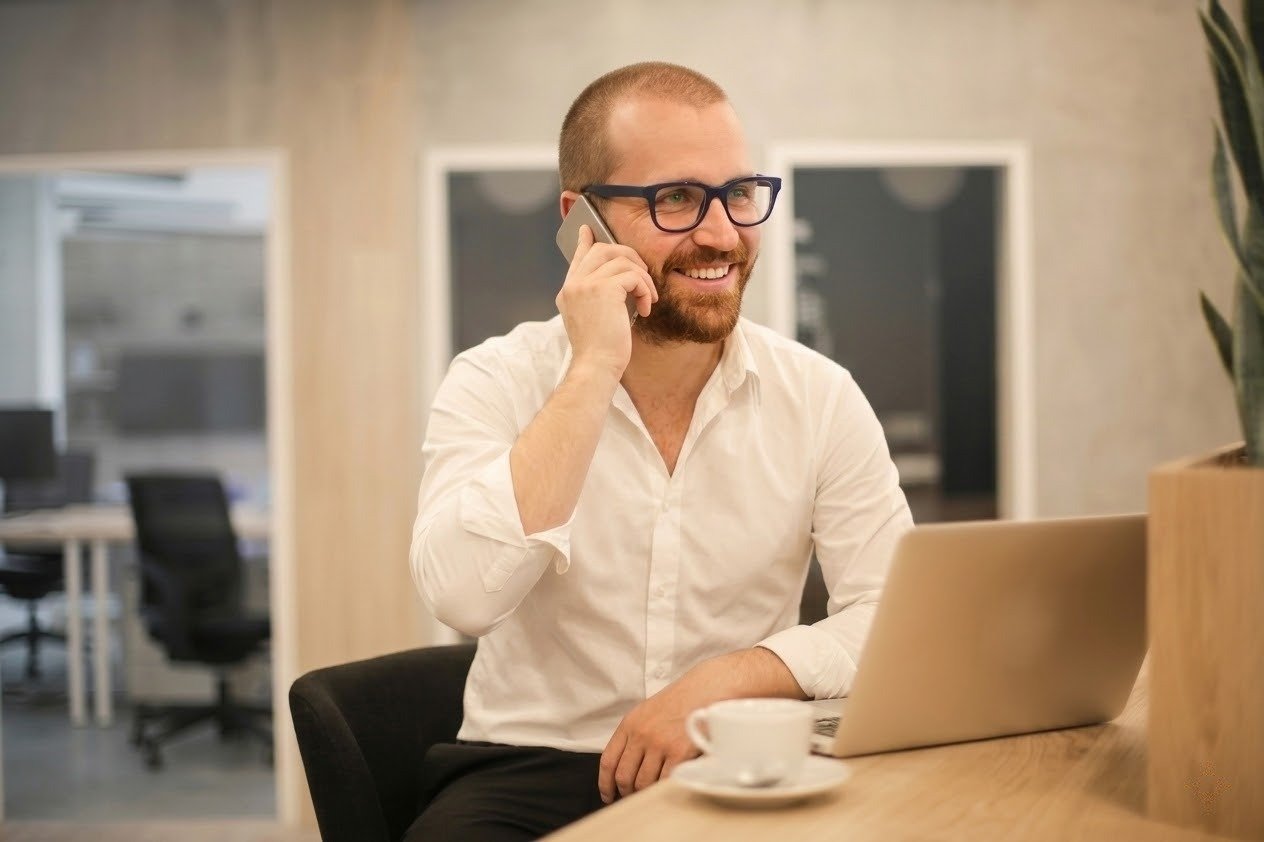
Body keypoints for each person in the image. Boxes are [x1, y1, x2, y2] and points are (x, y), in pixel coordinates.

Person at [407, 61, 912, 841]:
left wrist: (725, 682)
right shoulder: (495, 380)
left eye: (739, 194)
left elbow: (890, 614)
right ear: (585, 225)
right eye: (675, 198)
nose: (722, 234)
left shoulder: (820, 396)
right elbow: (464, 597)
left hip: (737, 755)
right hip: (529, 768)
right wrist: (592, 371)